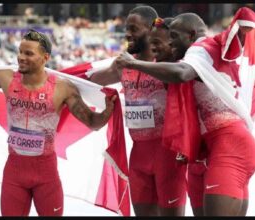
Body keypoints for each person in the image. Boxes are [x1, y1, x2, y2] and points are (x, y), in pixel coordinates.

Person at [0, 29, 117, 216]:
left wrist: (106, 113)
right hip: (14, 173)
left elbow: (93, 123)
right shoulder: (7, 78)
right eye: (20, 51)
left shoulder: (62, 88)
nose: (21, 57)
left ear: (45, 58)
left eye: (28, 53)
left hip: (46, 174)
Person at [111, 8, 255, 216]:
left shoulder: (202, 47)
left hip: (228, 144)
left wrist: (134, 63)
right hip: (204, 151)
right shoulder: (190, 57)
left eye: (174, 37)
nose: (170, 43)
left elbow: (181, 73)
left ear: (192, 35)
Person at [90, 6, 187, 216]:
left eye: (133, 28)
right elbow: (91, 80)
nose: (127, 34)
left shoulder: (164, 62)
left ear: (150, 30)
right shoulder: (123, 66)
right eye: (127, 28)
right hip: (138, 154)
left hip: (167, 154)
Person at [151, 16, 207, 217]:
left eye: (162, 42)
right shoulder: (171, 65)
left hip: (214, 152)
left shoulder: (196, 62)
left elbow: (181, 74)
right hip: (192, 155)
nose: (155, 49)